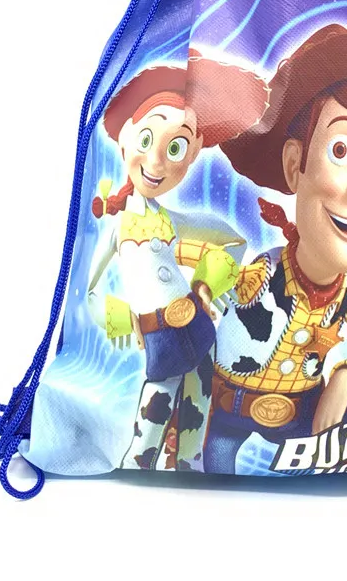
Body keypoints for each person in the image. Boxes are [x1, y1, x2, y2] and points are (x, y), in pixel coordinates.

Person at [205, 24, 347, 473]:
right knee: (212, 472)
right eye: (340, 150)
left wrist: (344, 376)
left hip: (300, 418)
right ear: (294, 166)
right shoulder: (261, 275)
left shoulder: (346, 301)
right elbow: (216, 279)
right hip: (228, 413)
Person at [87, 52, 270, 471]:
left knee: (195, 425)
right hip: (159, 337)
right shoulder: (118, 226)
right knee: (148, 431)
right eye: (147, 141)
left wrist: (206, 285)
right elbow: (92, 290)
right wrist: (124, 318)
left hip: (198, 326)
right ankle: (136, 480)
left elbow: (235, 239)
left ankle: (192, 481)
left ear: (193, 153)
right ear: (127, 136)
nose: (156, 163)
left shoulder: (172, 219)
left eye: (175, 148)